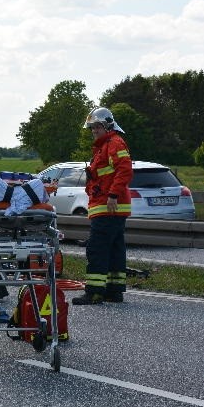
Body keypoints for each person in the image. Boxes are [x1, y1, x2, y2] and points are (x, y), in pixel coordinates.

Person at [72, 107, 133, 305]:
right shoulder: (104, 146)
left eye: (97, 127)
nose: (94, 131)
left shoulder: (114, 143)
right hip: (108, 206)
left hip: (108, 206)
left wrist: (113, 195)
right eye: (91, 128)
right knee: (114, 249)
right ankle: (114, 290)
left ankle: (95, 292)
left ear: (107, 125)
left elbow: (124, 170)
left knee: (97, 248)